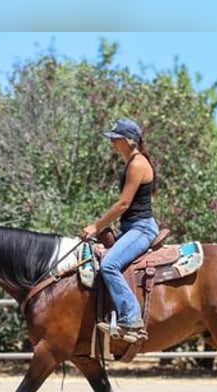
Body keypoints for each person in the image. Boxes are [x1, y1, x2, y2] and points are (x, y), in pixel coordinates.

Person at [80, 117, 159, 343]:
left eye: (115, 138)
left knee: (109, 265)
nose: (112, 142)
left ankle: (132, 318)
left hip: (141, 229)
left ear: (128, 140)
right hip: (132, 227)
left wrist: (96, 226)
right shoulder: (134, 162)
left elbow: (123, 203)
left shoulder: (137, 164)